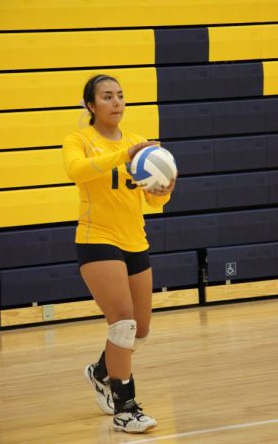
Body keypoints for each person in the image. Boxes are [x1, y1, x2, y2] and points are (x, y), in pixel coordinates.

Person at [62, 74, 176, 434]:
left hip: (134, 240)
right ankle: (125, 408)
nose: (116, 102)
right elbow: (76, 171)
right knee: (122, 323)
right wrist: (122, 155)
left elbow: (153, 200)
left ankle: (100, 372)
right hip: (97, 239)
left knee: (139, 331)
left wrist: (164, 187)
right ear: (91, 106)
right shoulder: (79, 140)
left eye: (121, 96)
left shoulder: (138, 144)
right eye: (107, 97)